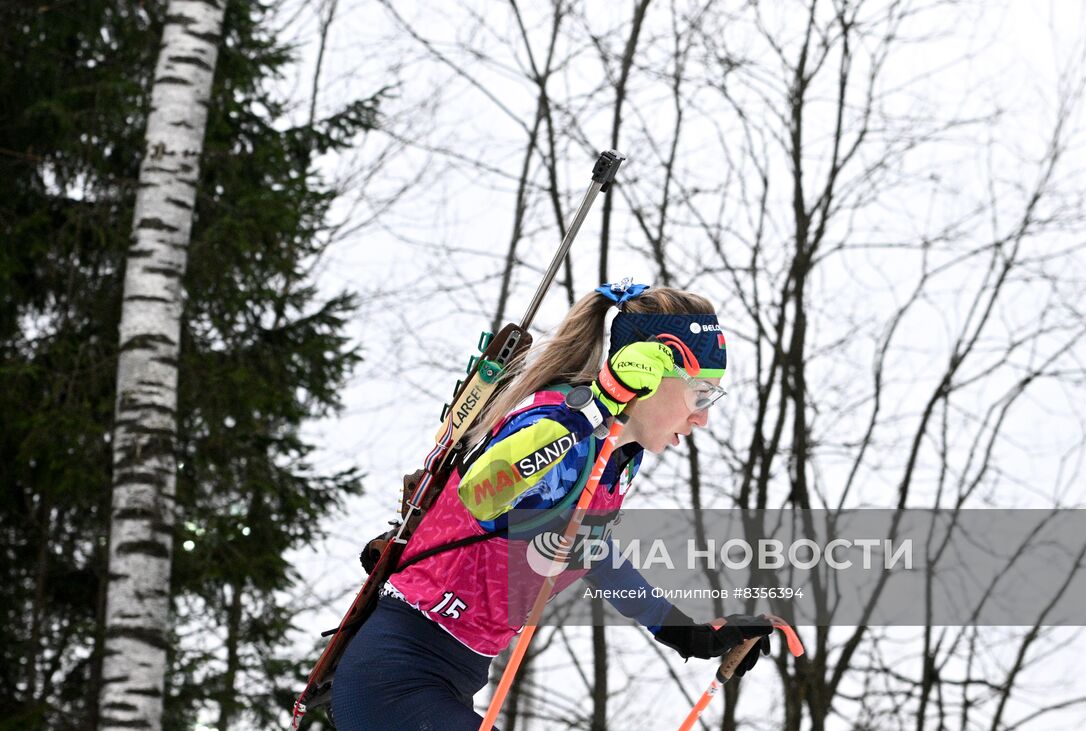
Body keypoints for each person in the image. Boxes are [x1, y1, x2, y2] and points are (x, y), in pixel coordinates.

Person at [331, 281, 774, 730]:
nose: (703, 417)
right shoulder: (560, 418)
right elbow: (482, 492)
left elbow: (588, 553)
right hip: (394, 678)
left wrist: (686, 632)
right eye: (699, 394)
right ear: (649, 372)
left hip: (449, 678)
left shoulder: (617, 455)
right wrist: (597, 405)